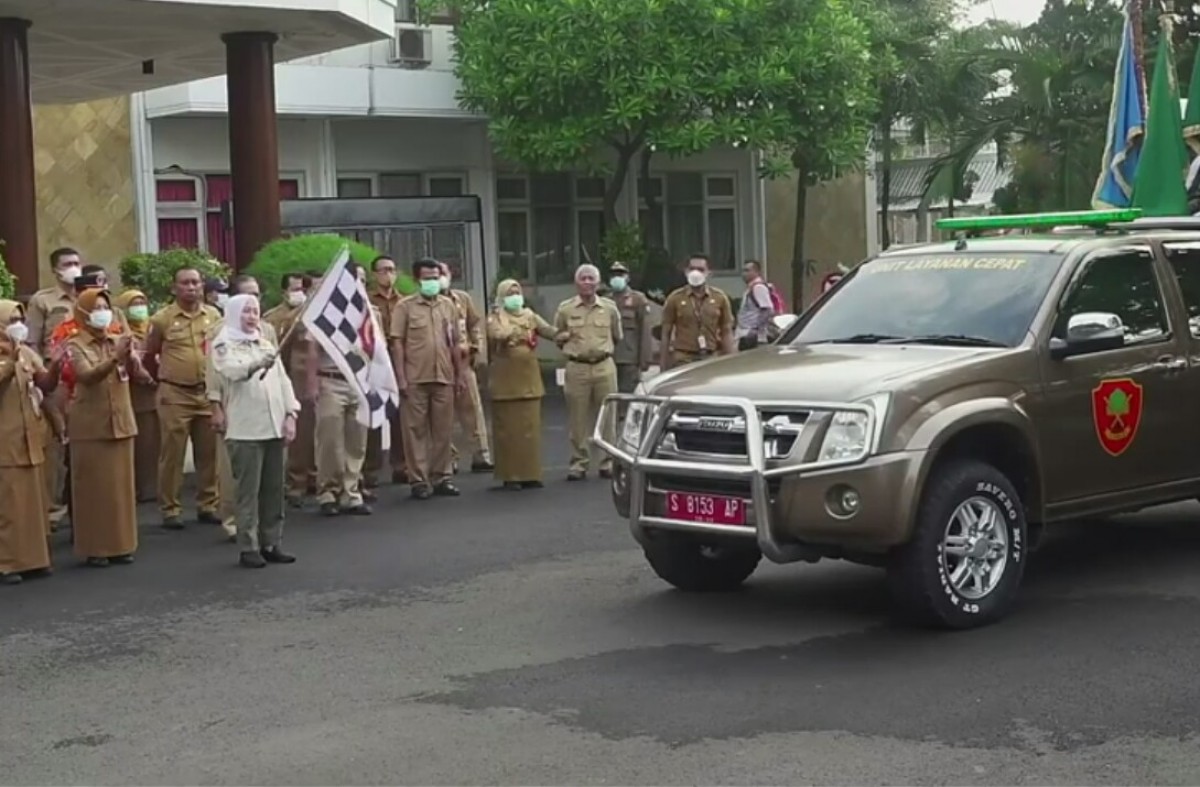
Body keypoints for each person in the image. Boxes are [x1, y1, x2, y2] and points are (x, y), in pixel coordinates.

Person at [209, 294, 300, 569]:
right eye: (246, 311)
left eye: (255, 311)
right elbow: (232, 371)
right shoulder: (224, 344)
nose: (252, 316)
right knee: (248, 491)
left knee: (273, 489)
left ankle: (271, 541)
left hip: (273, 425)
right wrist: (258, 363)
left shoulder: (265, 343)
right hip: (245, 429)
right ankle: (248, 545)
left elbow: (283, 381)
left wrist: (291, 413)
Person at [65, 289, 142, 567]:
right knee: (94, 489)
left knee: (120, 491)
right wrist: (115, 359)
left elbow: (137, 376)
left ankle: (122, 545)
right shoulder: (75, 344)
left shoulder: (117, 340)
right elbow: (86, 375)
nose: (102, 312)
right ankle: (96, 548)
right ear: (83, 312)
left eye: (105, 307)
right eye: (96, 307)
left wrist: (133, 360)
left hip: (120, 422)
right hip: (91, 426)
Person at [142, 267, 222, 529]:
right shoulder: (161, 319)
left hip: (206, 392)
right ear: (174, 288)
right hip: (175, 393)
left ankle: (208, 504)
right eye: (185, 283)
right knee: (172, 453)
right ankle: (170, 509)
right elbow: (149, 354)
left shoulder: (213, 315)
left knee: (209, 453)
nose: (191, 287)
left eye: (195, 282)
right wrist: (159, 381)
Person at [390, 257, 466, 500]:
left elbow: (455, 342)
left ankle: (442, 477)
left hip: (444, 376)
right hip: (415, 378)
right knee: (415, 432)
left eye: (435, 278)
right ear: (417, 280)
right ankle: (419, 480)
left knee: (443, 431)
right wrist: (401, 378)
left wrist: (460, 374)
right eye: (427, 278)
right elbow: (397, 344)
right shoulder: (405, 307)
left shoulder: (448, 306)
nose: (432, 282)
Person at [206, 275, 275, 542]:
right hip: (233, 404)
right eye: (247, 296)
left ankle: (257, 522)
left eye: (256, 296)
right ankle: (233, 521)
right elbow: (213, 372)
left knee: (263, 470)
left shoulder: (267, 330)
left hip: (262, 405)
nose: (253, 302)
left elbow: (276, 371)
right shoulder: (218, 332)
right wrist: (215, 406)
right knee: (232, 468)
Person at [0, 300, 63, 584]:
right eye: (11, 320)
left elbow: (44, 384)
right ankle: (7, 563)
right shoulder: (12, 354)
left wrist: (56, 366)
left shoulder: (26, 351)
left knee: (33, 503)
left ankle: (34, 559)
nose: (18, 325)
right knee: (9, 503)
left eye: (20, 319)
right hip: (5, 438)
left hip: (30, 436)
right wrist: (10, 361)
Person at [309, 261, 372, 517]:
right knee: (330, 441)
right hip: (330, 380)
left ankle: (351, 492)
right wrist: (312, 383)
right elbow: (312, 349)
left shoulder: (368, 312)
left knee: (357, 442)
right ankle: (328, 491)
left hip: (358, 382)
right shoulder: (326, 309)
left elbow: (375, 349)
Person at [27, 247, 81, 525]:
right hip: (55, 379)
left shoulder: (89, 296)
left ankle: (81, 507)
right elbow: (32, 342)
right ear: (55, 270)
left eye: (77, 262)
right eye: (68, 264)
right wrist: (40, 377)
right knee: (58, 444)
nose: (74, 268)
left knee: (83, 444)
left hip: (85, 376)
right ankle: (53, 510)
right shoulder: (43, 300)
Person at [486, 280, 557, 491]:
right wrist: (510, 326)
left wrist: (566, 333)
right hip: (505, 381)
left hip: (529, 380)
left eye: (517, 292)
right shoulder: (495, 317)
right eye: (510, 293)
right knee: (508, 432)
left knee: (530, 430)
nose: (515, 297)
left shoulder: (529, 315)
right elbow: (497, 334)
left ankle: (530, 474)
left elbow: (549, 331)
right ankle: (511, 475)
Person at [554, 264, 622, 481]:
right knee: (578, 417)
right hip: (577, 367)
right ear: (576, 283)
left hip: (604, 366)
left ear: (598, 282)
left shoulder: (609, 308)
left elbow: (617, 336)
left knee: (608, 416)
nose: (587, 282)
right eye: (583, 278)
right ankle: (579, 462)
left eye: (591, 278)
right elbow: (558, 336)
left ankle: (607, 461)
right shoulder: (566, 309)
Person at [263, 272, 316, 507]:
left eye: (303, 289)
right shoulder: (273, 317)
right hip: (293, 380)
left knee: (319, 434)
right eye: (295, 289)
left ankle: (318, 478)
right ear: (284, 292)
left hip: (320, 380)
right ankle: (297, 482)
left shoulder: (318, 312)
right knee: (299, 436)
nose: (300, 294)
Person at [439, 261, 493, 474]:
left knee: (473, 411)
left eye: (443, 273)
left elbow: (475, 324)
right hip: (440, 366)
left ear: (450, 275)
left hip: (464, 363)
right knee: (444, 416)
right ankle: (449, 458)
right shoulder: (424, 303)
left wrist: (476, 347)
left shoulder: (462, 299)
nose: (439, 278)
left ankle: (481, 455)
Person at [364, 255, 407, 490]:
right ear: (375, 274)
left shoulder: (404, 301)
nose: (388, 274)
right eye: (383, 270)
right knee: (374, 416)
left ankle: (401, 466)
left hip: (399, 362)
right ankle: (370, 470)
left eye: (391, 269)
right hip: (375, 365)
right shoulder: (367, 301)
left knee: (400, 417)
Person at [114, 289, 159, 503]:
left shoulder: (153, 329)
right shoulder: (122, 334)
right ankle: (135, 488)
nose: (139, 308)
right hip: (133, 394)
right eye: (134, 304)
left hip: (156, 395)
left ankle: (152, 487)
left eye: (142, 303)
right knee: (137, 445)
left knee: (153, 444)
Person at [659, 253, 734, 369]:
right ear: (686, 272)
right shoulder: (675, 298)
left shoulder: (720, 298)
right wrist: (663, 365)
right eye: (692, 269)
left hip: (710, 357)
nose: (696, 273)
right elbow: (665, 332)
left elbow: (726, 331)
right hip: (683, 358)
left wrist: (730, 361)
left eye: (700, 269)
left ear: (709, 273)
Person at [607, 261, 652, 393]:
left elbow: (645, 331)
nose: (617, 277)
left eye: (621, 274)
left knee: (627, 396)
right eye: (614, 274)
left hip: (629, 359)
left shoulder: (638, 299)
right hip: (608, 358)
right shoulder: (604, 300)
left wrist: (644, 359)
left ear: (628, 277)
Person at [736, 260, 776, 351]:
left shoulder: (758, 287)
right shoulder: (751, 288)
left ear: (756, 272)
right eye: (743, 271)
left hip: (753, 337)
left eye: (747, 270)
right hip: (746, 334)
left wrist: (756, 329)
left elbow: (767, 310)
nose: (744, 274)